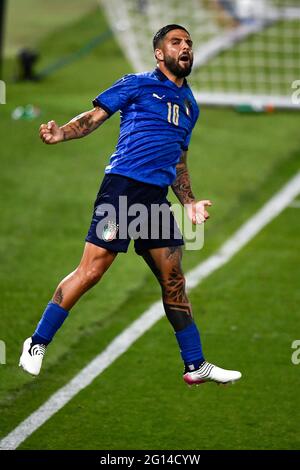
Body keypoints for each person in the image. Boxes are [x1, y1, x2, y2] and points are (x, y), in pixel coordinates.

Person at [19, 24, 241, 386]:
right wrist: (62, 133)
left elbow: (178, 159)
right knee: (91, 271)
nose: (185, 47)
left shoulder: (190, 106)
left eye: (188, 43)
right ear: (159, 53)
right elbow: (94, 118)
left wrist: (187, 202)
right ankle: (37, 342)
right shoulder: (137, 83)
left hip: (156, 199)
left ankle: (195, 364)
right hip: (122, 189)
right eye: (176, 42)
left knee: (174, 280)